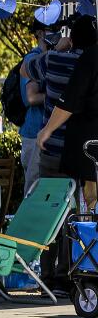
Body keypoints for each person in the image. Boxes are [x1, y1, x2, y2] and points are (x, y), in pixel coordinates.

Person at [38, 15, 98, 208]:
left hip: (77, 148)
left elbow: (70, 101)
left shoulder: (59, 59)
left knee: (65, 207)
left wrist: (47, 130)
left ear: (71, 38)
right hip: (83, 149)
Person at [19, 19, 58, 195]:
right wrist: (61, 96)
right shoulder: (32, 58)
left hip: (50, 133)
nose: (58, 32)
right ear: (40, 33)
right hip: (34, 132)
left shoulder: (56, 55)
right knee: (33, 190)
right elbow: (31, 97)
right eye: (53, 29)